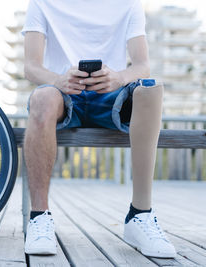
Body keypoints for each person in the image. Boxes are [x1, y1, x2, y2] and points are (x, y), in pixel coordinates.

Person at [21, 0, 177, 258]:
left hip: (109, 95)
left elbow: (142, 65)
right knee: (41, 99)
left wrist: (118, 77)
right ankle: (39, 217)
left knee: (150, 90)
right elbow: (31, 67)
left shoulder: (129, 4)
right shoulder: (41, 2)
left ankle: (140, 215)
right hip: (63, 92)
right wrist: (58, 79)